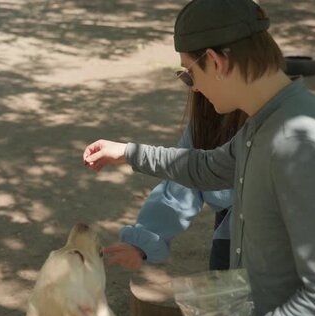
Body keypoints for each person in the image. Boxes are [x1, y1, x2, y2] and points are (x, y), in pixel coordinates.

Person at [83, 0, 315, 316]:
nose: (194, 88)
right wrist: (128, 152)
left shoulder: (299, 145)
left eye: (189, 73)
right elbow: (207, 168)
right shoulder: (264, 122)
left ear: (216, 62)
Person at [105, 92, 247, 271]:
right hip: (229, 237)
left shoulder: (276, 123)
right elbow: (184, 182)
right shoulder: (208, 117)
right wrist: (146, 237)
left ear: (220, 65)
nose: (193, 87)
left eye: (190, 74)